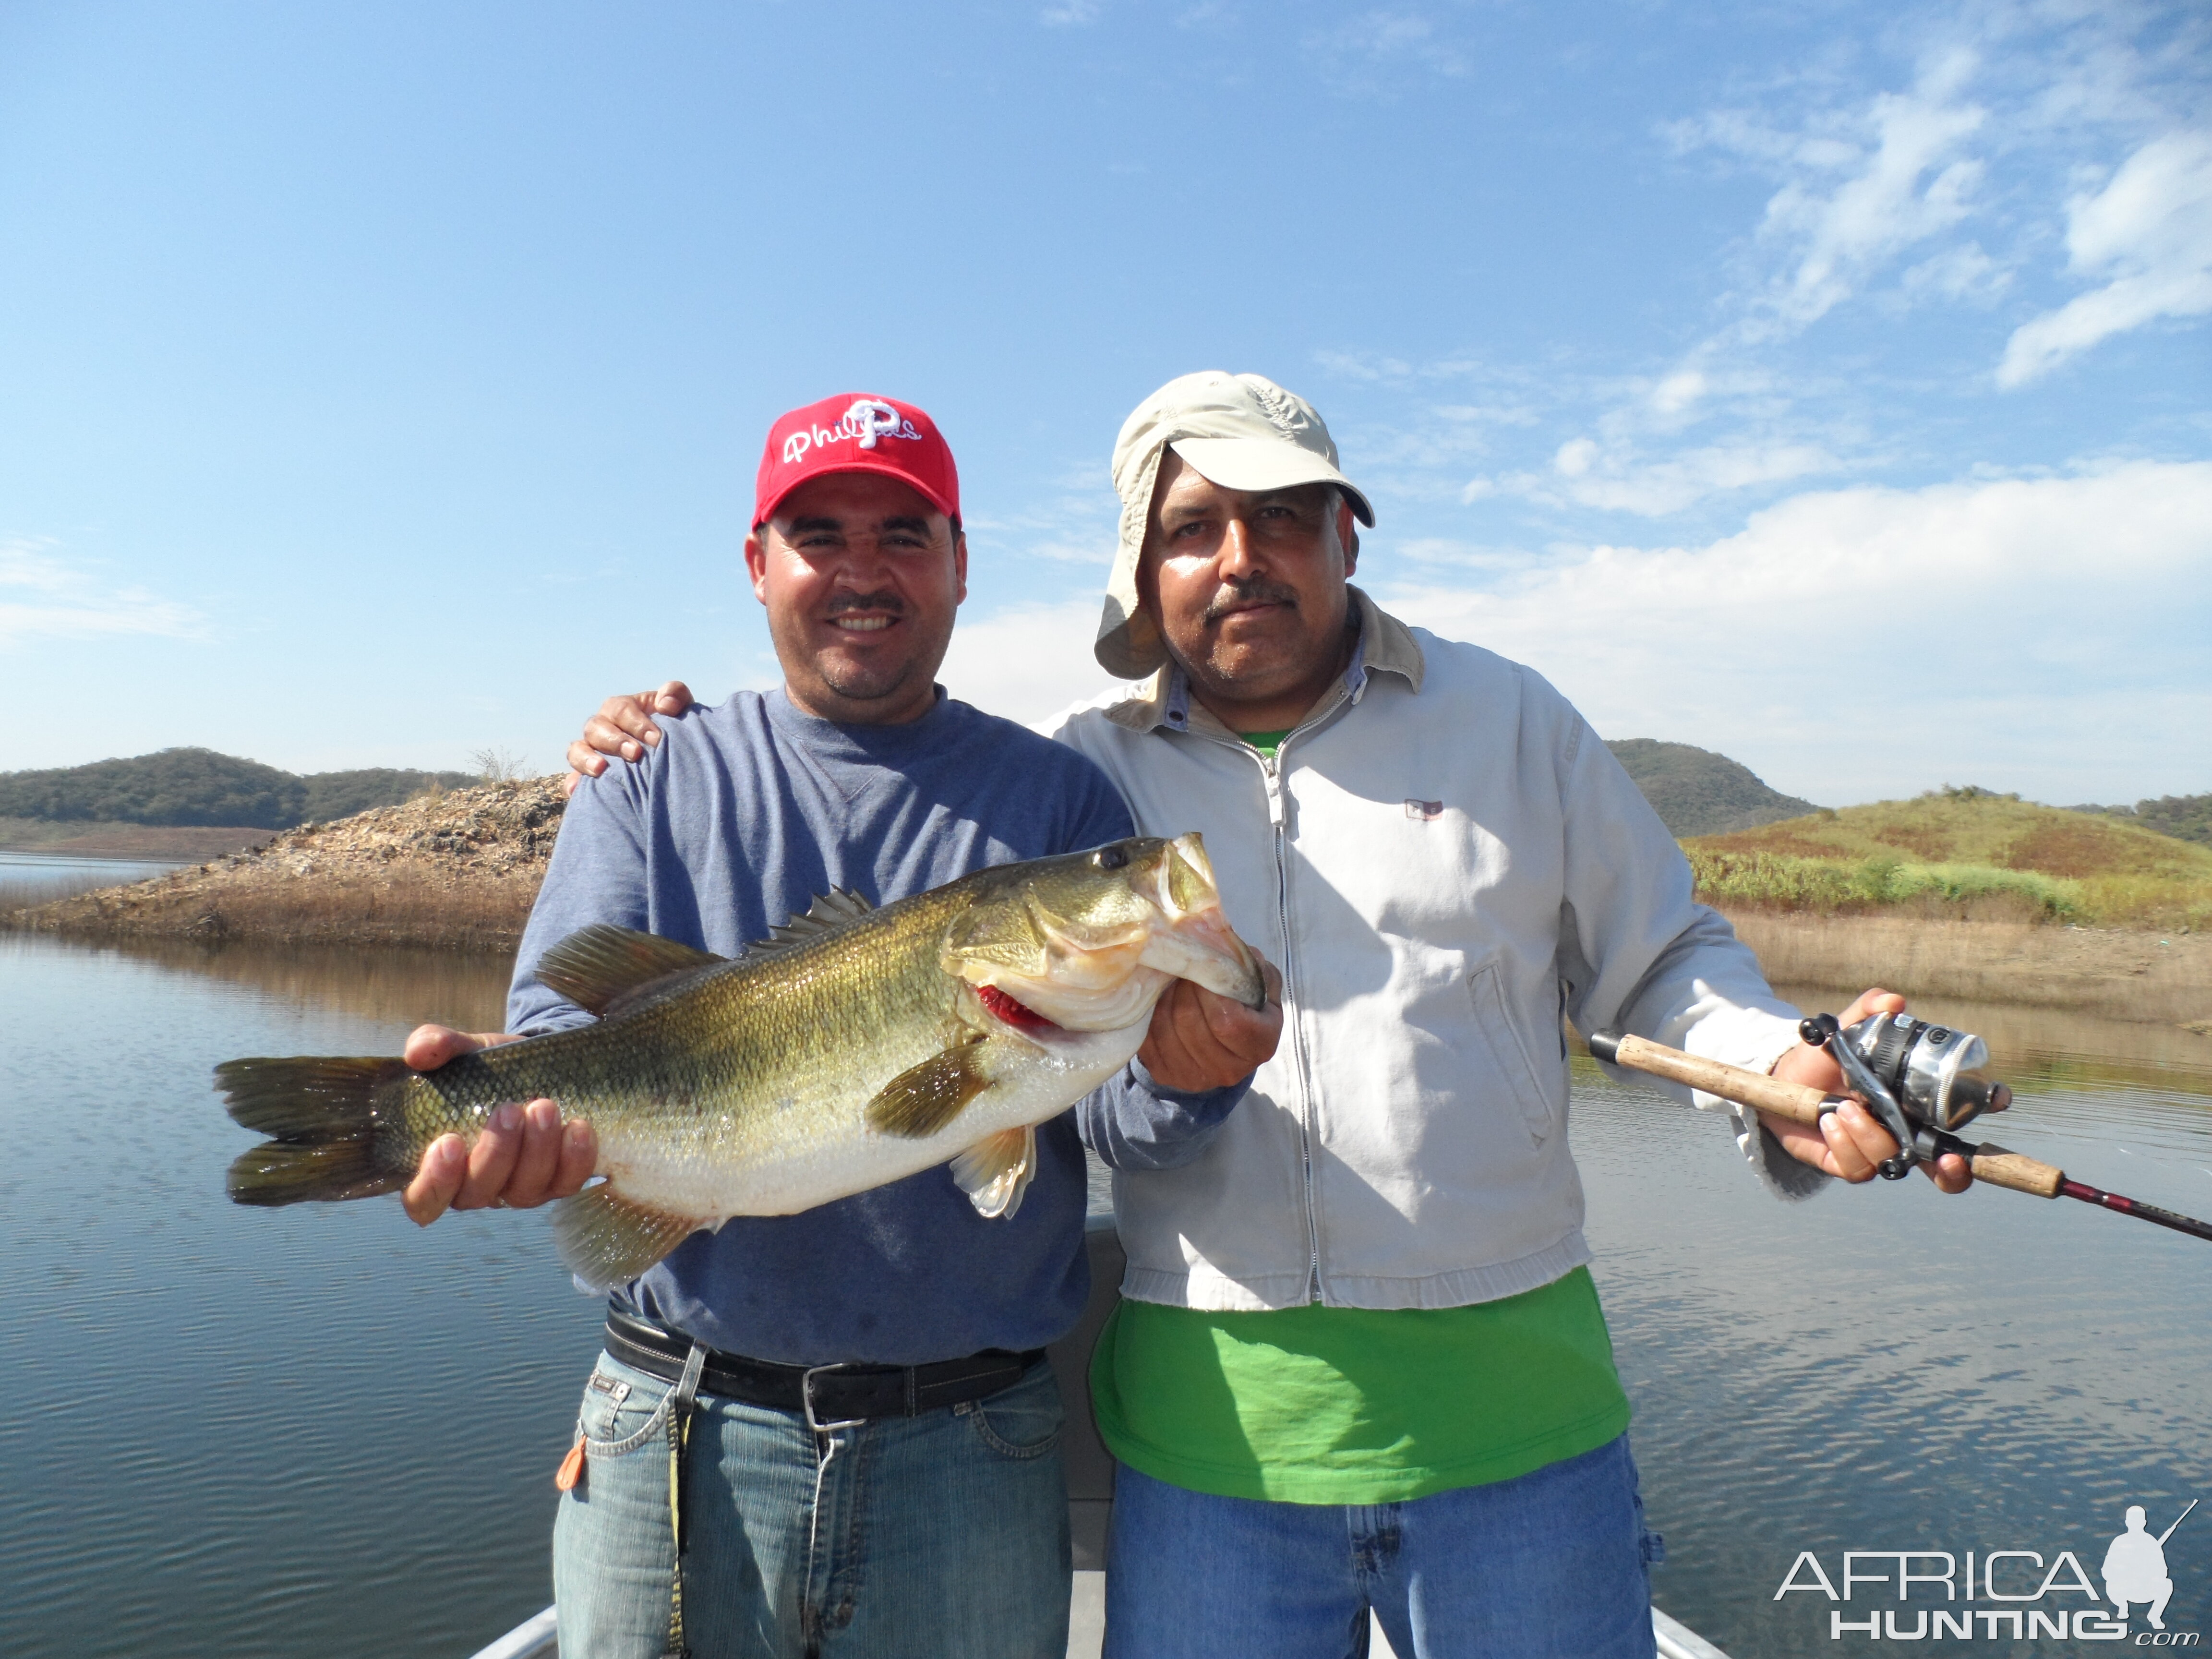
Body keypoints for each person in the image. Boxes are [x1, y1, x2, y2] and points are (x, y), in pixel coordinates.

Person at [574, 371, 1974, 1659]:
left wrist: (1777, 1071)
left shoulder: (1514, 723)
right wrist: (650, 729)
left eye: (1283, 518)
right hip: (1212, 1459)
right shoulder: (1087, 778)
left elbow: (1665, 959)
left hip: (1521, 1433)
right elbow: (1057, 1053)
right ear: (1144, 570)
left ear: (1347, 539)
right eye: (1194, 530)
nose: (1241, 559)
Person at [404, 389, 1281, 1659]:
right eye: (821, 534)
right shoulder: (649, 769)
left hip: (969, 1445)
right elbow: (552, 1023)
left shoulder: (1056, 799)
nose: (862, 572)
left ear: (962, 568)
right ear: (759, 565)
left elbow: (1125, 1123)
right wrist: (498, 1125)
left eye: (905, 536)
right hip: (675, 1423)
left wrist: (1193, 1075)